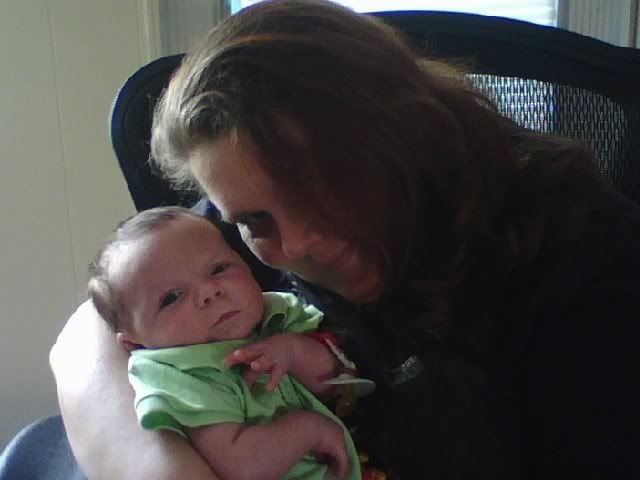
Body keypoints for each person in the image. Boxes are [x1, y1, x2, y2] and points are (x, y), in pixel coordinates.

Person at [50, 1, 640, 479]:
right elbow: (86, 339)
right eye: (255, 221)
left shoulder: (586, 259)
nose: (300, 243)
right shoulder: (240, 228)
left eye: (319, 189)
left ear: (401, 135)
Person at [87, 205, 363, 480]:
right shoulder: (183, 377)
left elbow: (340, 382)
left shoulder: (274, 314)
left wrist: (293, 351)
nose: (209, 291)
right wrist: (308, 431)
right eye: (171, 297)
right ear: (133, 343)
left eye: (218, 269)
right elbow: (242, 466)